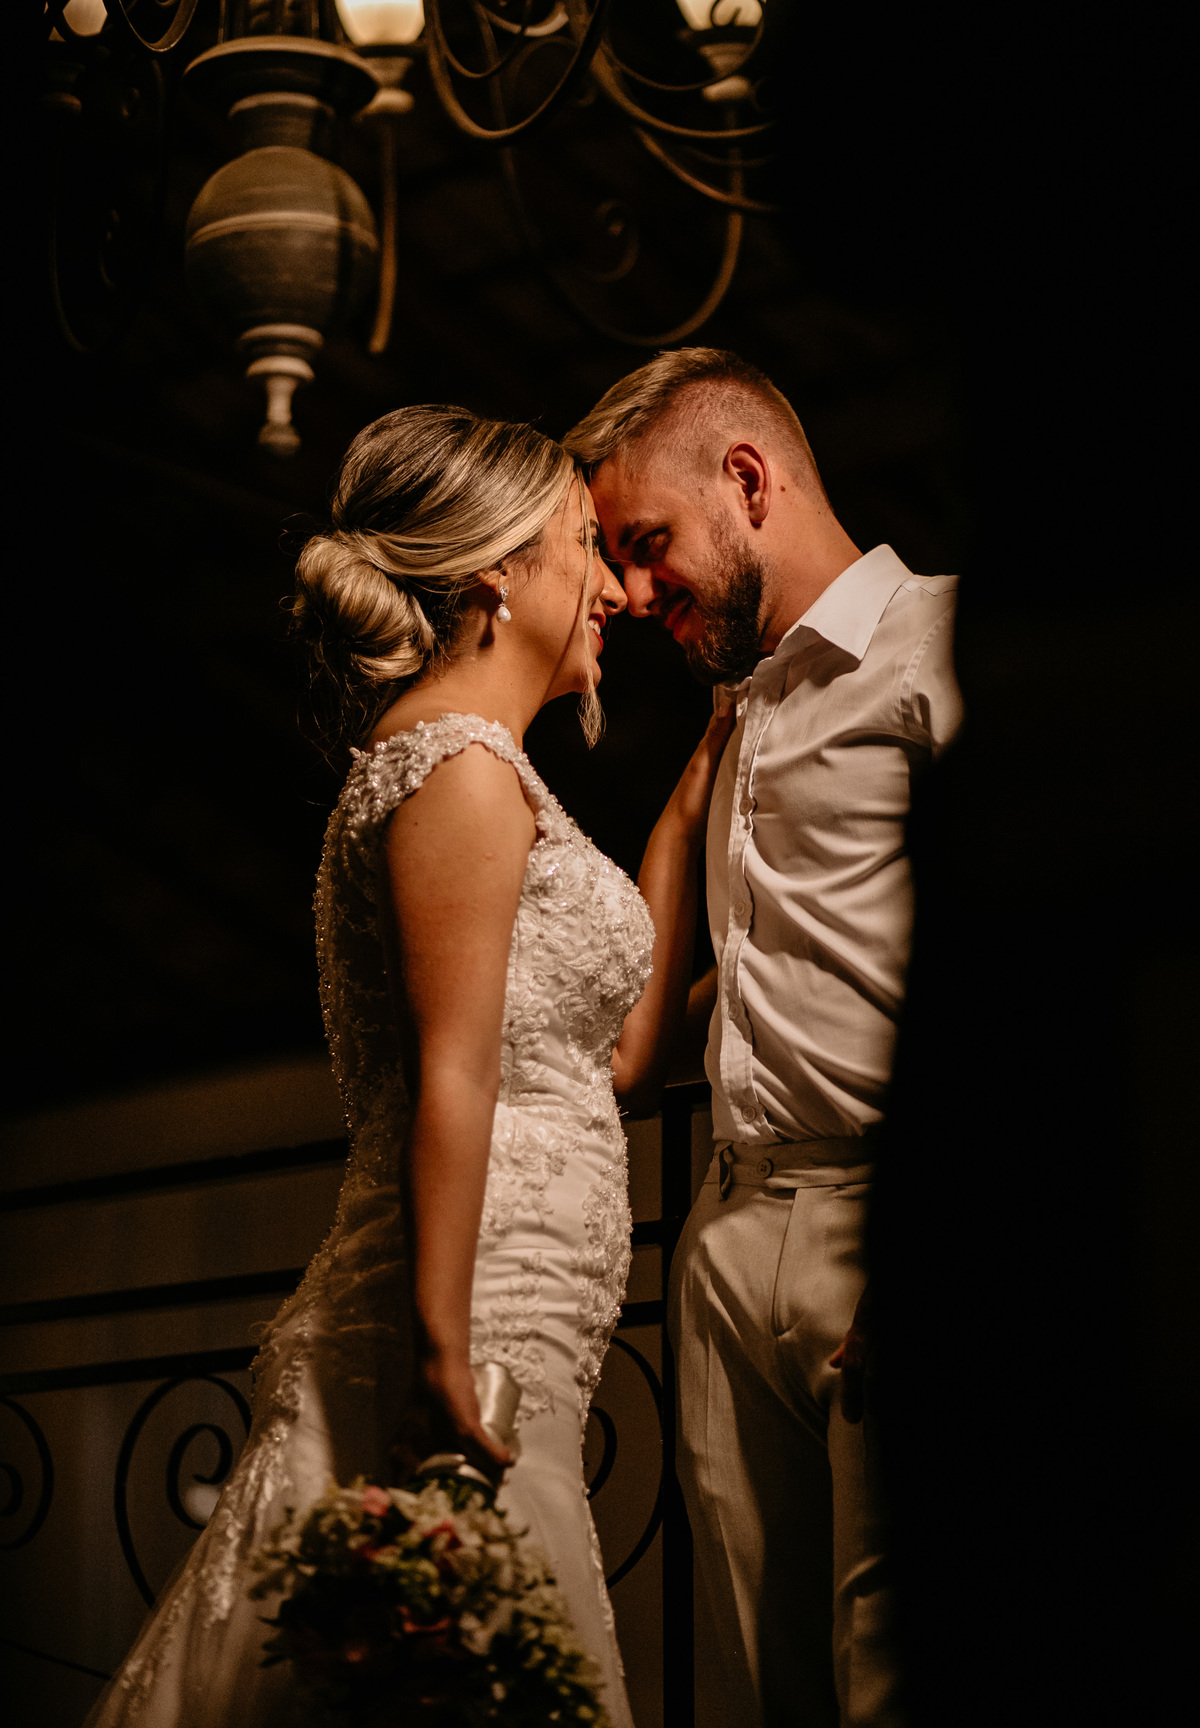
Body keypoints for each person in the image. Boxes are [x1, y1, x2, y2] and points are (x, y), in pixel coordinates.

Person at [86, 405, 733, 1728]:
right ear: (497, 573)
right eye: (584, 546)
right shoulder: (455, 772)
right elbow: (455, 1076)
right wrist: (442, 1352)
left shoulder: (488, 772)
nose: (614, 589)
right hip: (470, 1311)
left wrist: (685, 821)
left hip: (527, 1311)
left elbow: (616, 1060)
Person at [565, 349, 963, 1728]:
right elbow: (730, 992)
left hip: (877, 1217)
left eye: (646, 542)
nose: (630, 591)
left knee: (890, 1677)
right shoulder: (740, 707)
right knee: (763, 1689)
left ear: (748, 481)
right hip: (728, 1237)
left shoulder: (936, 643)